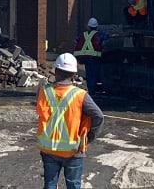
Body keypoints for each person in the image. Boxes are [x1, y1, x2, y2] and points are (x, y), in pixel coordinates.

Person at [37, 53, 104, 189]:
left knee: (50, 184)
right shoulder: (80, 95)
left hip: (48, 148)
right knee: (73, 185)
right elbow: (99, 116)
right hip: (73, 150)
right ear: (74, 74)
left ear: (56, 71)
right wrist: (89, 137)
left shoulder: (44, 92)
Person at [73, 17, 108, 94]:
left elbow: (76, 40)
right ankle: (94, 90)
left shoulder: (83, 34)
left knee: (89, 74)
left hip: (85, 58)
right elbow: (106, 38)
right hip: (95, 58)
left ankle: (91, 90)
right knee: (95, 74)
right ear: (96, 26)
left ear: (88, 26)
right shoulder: (99, 34)